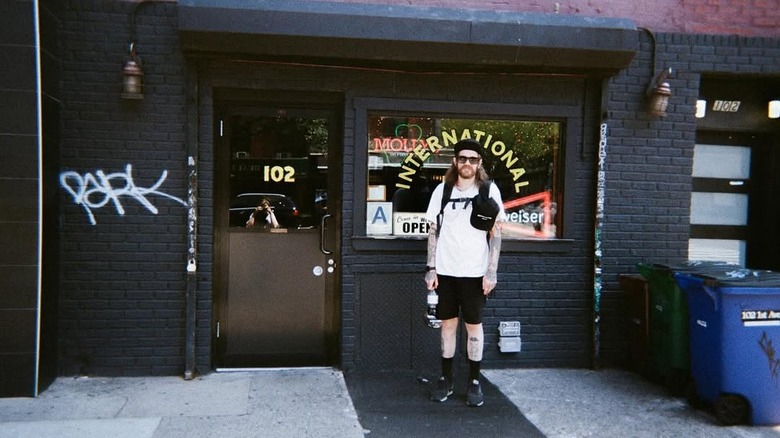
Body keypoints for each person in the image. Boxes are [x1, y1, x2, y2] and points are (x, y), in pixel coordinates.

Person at [424, 138, 504, 407]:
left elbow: (496, 234)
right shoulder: (443, 190)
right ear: (455, 161)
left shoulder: (489, 191)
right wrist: (431, 267)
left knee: (474, 327)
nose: (467, 163)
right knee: (447, 327)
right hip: (445, 271)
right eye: (462, 158)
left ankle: (474, 381)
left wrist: (491, 272)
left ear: (479, 163)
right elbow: (433, 230)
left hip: (475, 273)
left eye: (472, 159)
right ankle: (446, 379)